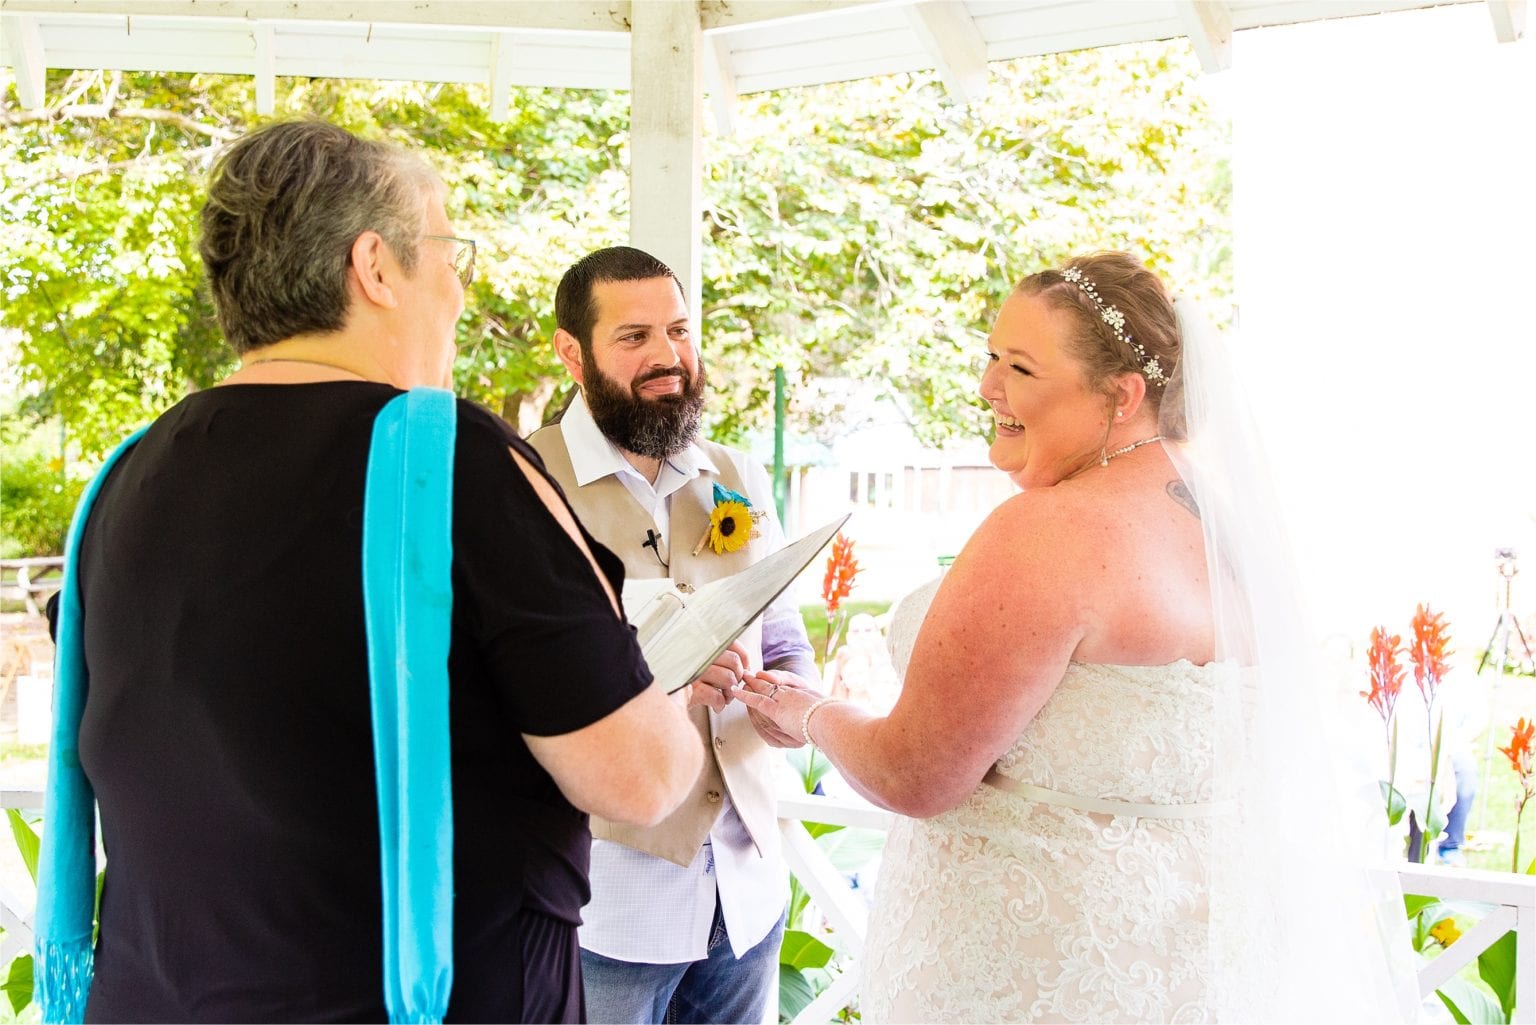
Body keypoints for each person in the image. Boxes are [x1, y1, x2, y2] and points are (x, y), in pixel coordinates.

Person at [38, 120, 702, 1023]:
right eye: (446, 250)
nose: (460, 288)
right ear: (376, 268)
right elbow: (642, 779)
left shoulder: (125, 477)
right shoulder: (446, 460)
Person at [739, 251, 1415, 1022]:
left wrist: (809, 714)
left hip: (1033, 973)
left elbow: (916, 773)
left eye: (1020, 368)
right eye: (991, 357)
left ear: (1121, 395)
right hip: (1191, 972)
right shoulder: (1236, 525)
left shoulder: (1049, 531)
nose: (988, 387)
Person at [527, 246, 818, 1025]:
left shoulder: (739, 474)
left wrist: (794, 692)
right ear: (571, 353)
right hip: (609, 905)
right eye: (633, 337)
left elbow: (786, 634)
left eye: (680, 330)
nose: (667, 356)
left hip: (749, 896)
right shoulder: (523, 477)